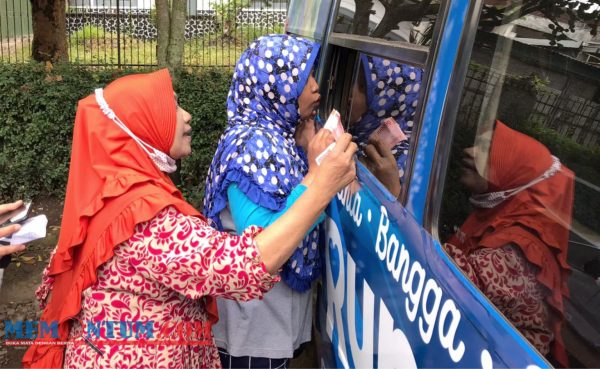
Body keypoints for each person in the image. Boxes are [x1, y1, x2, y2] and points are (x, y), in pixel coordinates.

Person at [22, 69, 357, 369]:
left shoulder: (116, 193)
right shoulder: (144, 218)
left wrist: (315, 176)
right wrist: (321, 186)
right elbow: (246, 264)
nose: (187, 116)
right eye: (171, 108)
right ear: (142, 124)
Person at [203, 34, 324, 368]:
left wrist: (303, 152)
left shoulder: (277, 136)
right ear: (275, 85)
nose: (316, 87)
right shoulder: (250, 146)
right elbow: (263, 244)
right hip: (252, 329)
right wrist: (318, 174)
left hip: (269, 318)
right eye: (304, 77)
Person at [445, 121, 574, 367]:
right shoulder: (492, 215)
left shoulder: (520, 248)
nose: (469, 152)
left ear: (514, 172)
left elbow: (447, 280)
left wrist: (395, 199)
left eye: (486, 150)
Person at [348, 54, 422, 198]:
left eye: (363, 87)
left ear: (390, 98)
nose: (351, 94)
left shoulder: (398, 163)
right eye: (353, 82)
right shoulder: (358, 135)